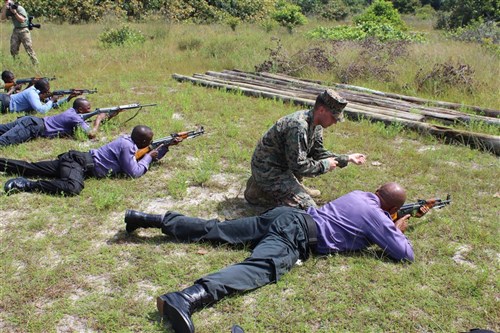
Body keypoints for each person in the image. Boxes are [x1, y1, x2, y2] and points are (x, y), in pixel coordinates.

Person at [124, 182, 427, 333]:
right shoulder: (378, 216)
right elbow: (404, 254)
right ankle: (187, 298)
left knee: (216, 229)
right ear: (390, 209)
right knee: (259, 268)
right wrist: (398, 226)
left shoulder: (361, 195)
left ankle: (147, 219)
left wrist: (390, 218)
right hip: (296, 236)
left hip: (286, 216)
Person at [244, 89, 366, 210]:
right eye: (334, 117)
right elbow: (299, 165)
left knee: (306, 204)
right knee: (309, 210)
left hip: (283, 165)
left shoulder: (316, 123)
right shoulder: (299, 126)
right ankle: (259, 191)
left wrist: (348, 158)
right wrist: (325, 165)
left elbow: (317, 152)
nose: (335, 122)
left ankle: (291, 187)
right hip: (268, 170)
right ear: (322, 110)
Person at [0, 125, 170, 196]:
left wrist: (166, 147)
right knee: (73, 187)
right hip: (79, 163)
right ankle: (26, 185)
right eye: (148, 141)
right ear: (141, 142)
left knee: (32, 167)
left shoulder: (128, 141)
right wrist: (148, 157)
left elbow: (140, 158)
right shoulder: (127, 147)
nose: (149, 144)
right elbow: (134, 172)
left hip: (76, 160)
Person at [0, 98, 107, 147]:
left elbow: (83, 124)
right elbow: (91, 134)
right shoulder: (75, 117)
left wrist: (109, 115)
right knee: (3, 142)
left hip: (30, 121)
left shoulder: (71, 111)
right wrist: (98, 119)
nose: (90, 110)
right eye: (88, 108)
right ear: (80, 109)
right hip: (33, 126)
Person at [0, 0, 39, 65]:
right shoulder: (9, 10)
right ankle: (18, 64)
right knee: (13, 49)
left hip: (24, 30)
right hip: (16, 30)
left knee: (28, 48)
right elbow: (2, 18)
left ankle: (36, 64)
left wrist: (15, 13)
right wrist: (5, 7)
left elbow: (22, 20)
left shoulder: (19, 8)